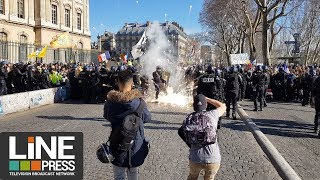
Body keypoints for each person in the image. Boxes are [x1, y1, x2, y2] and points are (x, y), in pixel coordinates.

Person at [104, 70, 151, 180]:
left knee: (119, 176)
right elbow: (147, 118)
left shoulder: (110, 103)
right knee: (133, 173)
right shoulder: (139, 103)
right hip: (136, 145)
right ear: (132, 83)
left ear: (118, 82)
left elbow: (106, 116)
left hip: (117, 144)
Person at [181, 94, 226, 180]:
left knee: (192, 177)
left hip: (195, 157)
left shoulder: (188, 118)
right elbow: (222, 106)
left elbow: (181, 132)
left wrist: (190, 143)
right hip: (213, 158)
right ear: (206, 105)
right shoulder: (212, 114)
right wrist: (207, 99)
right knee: (209, 178)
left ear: (193, 105)